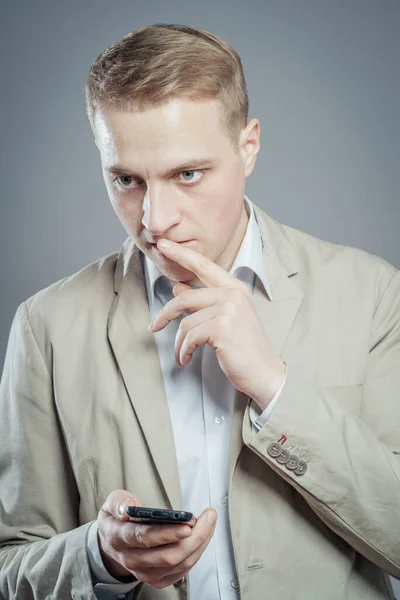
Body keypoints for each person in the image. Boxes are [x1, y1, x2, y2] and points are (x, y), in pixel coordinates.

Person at [0, 22, 399, 600]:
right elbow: (11, 566)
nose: (155, 220)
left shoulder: (373, 294)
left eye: (188, 174)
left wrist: (274, 387)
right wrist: (100, 556)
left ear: (248, 147)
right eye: (126, 180)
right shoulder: (46, 328)